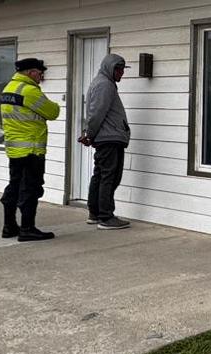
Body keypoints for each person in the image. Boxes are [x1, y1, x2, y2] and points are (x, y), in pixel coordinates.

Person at [0, 58, 60, 242]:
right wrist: (55, 106)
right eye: (40, 74)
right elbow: (53, 112)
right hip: (31, 149)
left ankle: (9, 226)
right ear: (31, 72)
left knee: (15, 186)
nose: (41, 78)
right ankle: (27, 228)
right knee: (31, 189)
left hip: (15, 149)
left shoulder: (8, 89)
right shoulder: (29, 91)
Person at [79, 53, 131, 230]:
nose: (121, 73)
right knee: (109, 176)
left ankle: (95, 213)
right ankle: (106, 217)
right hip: (109, 138)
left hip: (106, 137)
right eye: (119, 69)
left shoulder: (101, 83)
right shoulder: (105, 85)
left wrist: (90, 134)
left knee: (100, 175)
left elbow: (96, 113)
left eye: (123, 69)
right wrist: (89, 134)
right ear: (110, 68)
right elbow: (97, 113)